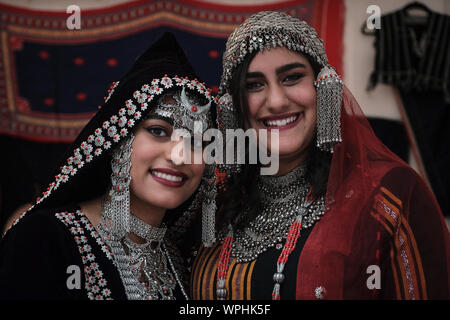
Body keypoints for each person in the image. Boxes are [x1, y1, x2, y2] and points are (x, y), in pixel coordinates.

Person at [190, 11, 450, 300]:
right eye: (254, 85)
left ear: (323, 86)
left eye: (292, 78)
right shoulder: (217, 206)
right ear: (233, 106)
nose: (276, 101)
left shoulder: (389, 195)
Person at [0, 32, 216, 300]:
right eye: (159, 131)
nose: (179, 155)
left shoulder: (178, 259)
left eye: (197, 142)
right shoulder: (44, 239)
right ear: (119, 139)